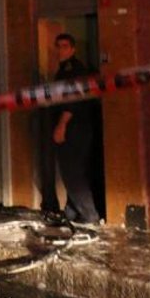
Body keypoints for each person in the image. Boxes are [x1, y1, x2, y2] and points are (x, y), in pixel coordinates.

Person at [52, 32, 100, 227]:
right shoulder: (65, 70)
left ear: (72, 49)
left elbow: (73, 102)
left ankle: (90, 216)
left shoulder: (73, 70)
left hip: (74, 129)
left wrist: (62, 125)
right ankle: (71, 212)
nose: (60, 50)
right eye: (58, 46)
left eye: (64, 46)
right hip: (78, 128)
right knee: (74, 171)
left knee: (72, 173)